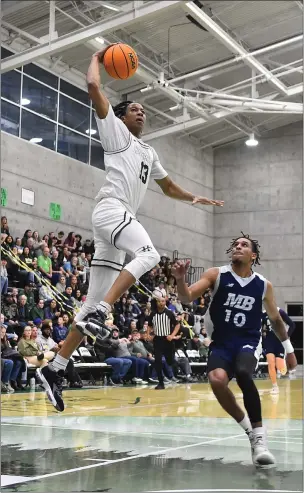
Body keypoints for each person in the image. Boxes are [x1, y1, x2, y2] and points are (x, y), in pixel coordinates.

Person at [37, 44, 223, 412]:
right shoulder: (115, 133)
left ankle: (55, 368)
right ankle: (104, 311)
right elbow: (93, 86)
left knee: (87, 306)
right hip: (111, 211)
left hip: (114, 228)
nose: (142, 112)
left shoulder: (149, 152)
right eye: (135, 109)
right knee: (150, 254)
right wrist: (99, 55)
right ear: (120, 117)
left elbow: (168, 187)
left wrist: (194, 198)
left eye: (143, 110)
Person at [172, 233, 297, 466]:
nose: (238, 247)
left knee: (242, 372)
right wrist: (180, 280)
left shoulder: (263, 285)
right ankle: (250, 431)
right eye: (235, 245)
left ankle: (261, 438)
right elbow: (186, 297)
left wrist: (288, 349)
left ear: (253, 255)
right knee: (217, 380)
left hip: (248, 341)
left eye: (244, 245)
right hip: (221, 342)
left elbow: (276, 320)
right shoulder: (216, 275)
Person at [147, 297, 180, 389]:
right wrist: (148, 334)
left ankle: (176, 374)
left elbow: (177, 325)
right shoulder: (153, 314)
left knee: (170, 361)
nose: (161, 303)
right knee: (158, 361)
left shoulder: (169, 313)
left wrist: (172, 335)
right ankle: (161, 383)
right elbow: (149, 325)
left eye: (163, 301)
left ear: (165, 302)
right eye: (159, 301)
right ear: (157, 303)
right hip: (157, 340)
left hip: (168, 340)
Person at [262, 307, 295, 394]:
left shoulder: (280, 311)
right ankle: (275, 386)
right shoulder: (263, 314)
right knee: (271, 363)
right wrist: (263, 339)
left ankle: (284, 365)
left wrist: (286, 337)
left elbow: (292, 324)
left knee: (280, 368)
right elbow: (260, 328)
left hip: (280, 341)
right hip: (269, 342)